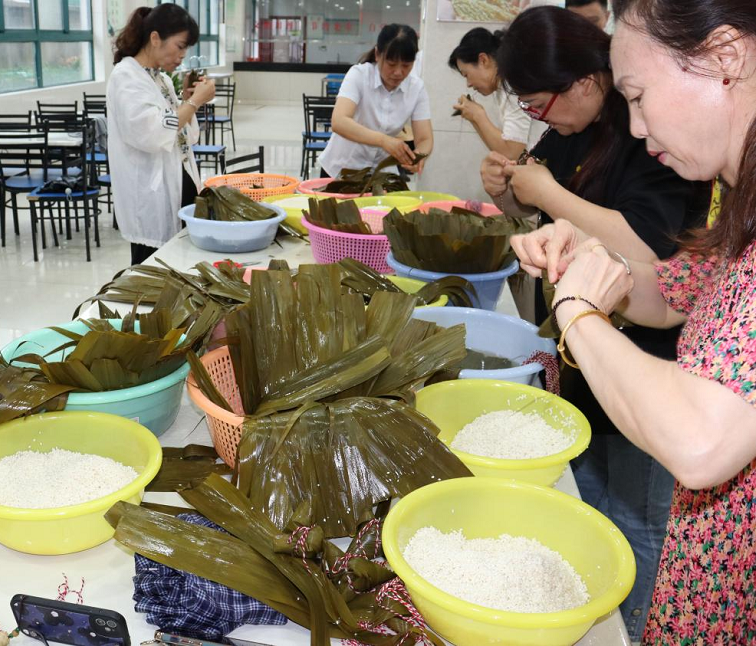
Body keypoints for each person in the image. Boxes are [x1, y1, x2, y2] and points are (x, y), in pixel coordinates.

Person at [513, 1, 756, 642]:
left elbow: (704, 442)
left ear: (724, 58)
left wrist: (577, 313)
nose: (640, 127)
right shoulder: (734, 196)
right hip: (705, 574)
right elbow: (673, 295)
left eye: (641, 97)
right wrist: (590, 262)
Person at [106, 4, 215, 266]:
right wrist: (194, 104)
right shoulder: (126, 77)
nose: (182, 56)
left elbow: (184, 136)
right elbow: (153, 133)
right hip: (150, 196)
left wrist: (188, 101)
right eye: (180, 46)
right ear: (155, 38)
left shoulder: (160, 78)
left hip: (178, 183)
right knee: (152, 272)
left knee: (179, 266)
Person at [319, 24, 432, 179]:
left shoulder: (416, 88)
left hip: (381, 175)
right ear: (378, 54)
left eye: (406, 65)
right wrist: (384, 141)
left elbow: (424, 138)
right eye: (391, 64)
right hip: (341, 170)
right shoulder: (359, 75)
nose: (398, 72)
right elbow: (339, 121)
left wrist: (419, 156)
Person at [449, 28, 533, 161]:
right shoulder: (501, 87)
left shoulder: (512, 86)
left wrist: (478, 115)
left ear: (483, 60)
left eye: (467, 75)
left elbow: (514, 153)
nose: (468, 84)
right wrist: (473, 117)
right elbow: (502, 150)